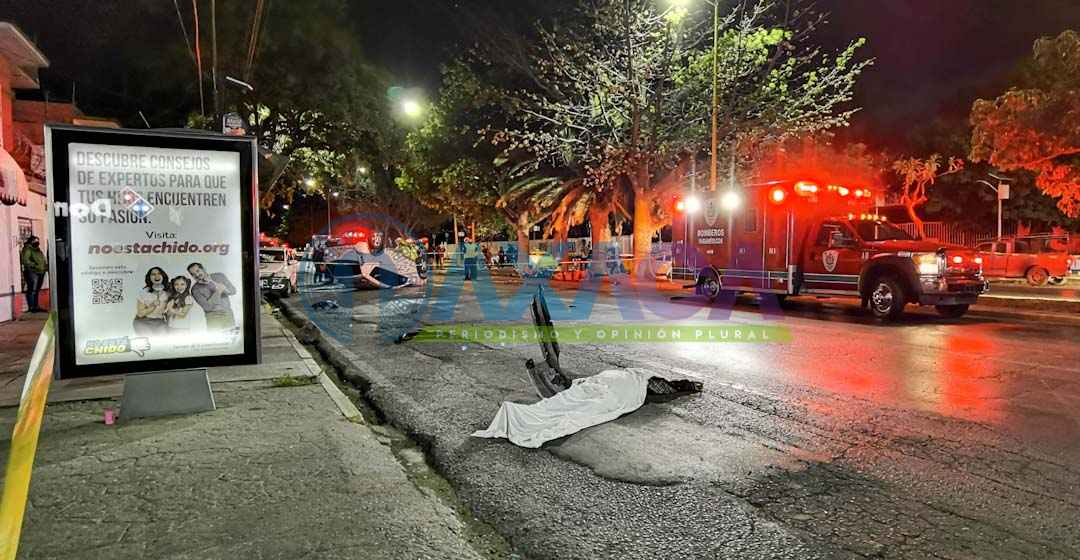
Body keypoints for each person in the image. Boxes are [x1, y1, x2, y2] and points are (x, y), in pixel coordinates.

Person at [187, 262, 237, 331]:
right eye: (193, 274)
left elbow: (233, 291)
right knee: (216, 340)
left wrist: (213, 283)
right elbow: (207, 307)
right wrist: (218, 292)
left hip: (228, 314)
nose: (197, 275)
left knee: (232, 339)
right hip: (213, 317)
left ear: (203, 269)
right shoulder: (195, 289)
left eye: (198, 271)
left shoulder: (219, 276)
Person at [134, 266, 170, 335]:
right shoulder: (144, 292)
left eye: (159, 273)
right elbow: (140, 314)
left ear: (163, 276)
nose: (157, 276)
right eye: (153, 274)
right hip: (143, 322)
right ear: (149, 278)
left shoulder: (168, 291)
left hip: (160, 322)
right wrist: (153, 305)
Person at [20, 236, 48, 313]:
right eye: (35, 241)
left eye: (38, 241)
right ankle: (32, 307)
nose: (37, 242)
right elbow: (25, 260)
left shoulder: (38, 250)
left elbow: (42, 259)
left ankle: (36, 306)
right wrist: (35, 265)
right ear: (31, 241)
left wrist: (45, 267)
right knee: (32, 289)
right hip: (33, 271)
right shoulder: (28, 249)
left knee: (36, 290)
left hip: (40, 272)